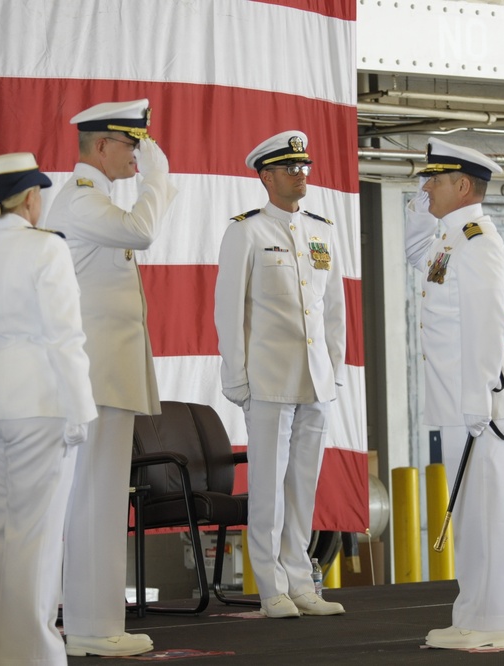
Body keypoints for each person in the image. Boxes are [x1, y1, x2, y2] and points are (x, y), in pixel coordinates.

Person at [0, 152, 97, 666]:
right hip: (38, 402)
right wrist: (81, 410)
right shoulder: (46, 249)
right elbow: (65, 337)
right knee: (36, 538)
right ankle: (37, 659)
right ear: (30, 198)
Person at [45, 99, 176, 657]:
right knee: (95, 500)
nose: (139, 155)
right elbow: (140, 232)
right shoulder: (80, 200)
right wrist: (159, 182)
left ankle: (94, 623)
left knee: (99, 498)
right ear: (102, 145)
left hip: (106, 375)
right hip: (93, 377)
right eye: (132, 144)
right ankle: (96, 628)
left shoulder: (90, 200)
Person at [214, 130, 347, 619]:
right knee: (268, 488)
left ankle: (301, 581)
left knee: (303, 486)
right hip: (268, 379)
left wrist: (334, 369)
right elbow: (227, 311)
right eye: (290, 168)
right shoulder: (246, 231)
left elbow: (333, 309)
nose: (301, 174)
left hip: (315, 379)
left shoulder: (322, 229)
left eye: (304, 167)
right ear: (266, 176)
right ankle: (271, 587)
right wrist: (237, 377)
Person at [404, 139, 504, 650]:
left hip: (481, 405)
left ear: (463, 186)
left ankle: (494, 620)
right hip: (459, 403)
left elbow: (486, 326)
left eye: (435, 179)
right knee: (469, 517)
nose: (427, 185)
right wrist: (418, 199)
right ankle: (471, 612)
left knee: (487, 514)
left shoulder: (478, 243)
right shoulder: (447, 239)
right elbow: (413, 252)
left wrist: (477, 402)